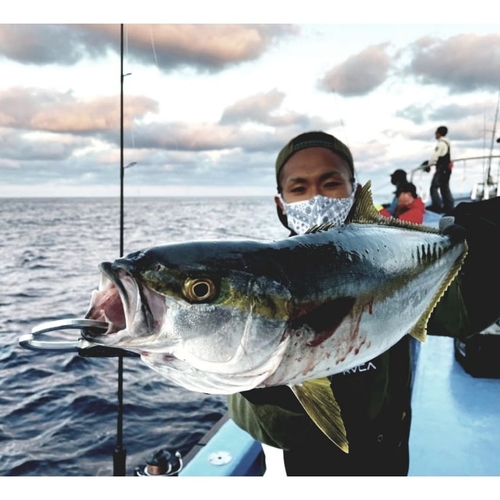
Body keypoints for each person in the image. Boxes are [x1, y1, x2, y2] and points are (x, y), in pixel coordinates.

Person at [226, 130, 500, 476]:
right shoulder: (263, 279)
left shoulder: (388, 258)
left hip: (388, 454)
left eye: (330, 183)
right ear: (280, 204)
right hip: (310, 470)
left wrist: (481, 248)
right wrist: (273, 381)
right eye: (299, 188)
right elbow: (267, 425)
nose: (316, 197)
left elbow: (462, 310)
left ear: (354, 191)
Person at [422, 125, 454, 214]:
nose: (435, 135)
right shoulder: (447, 143)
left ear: (438, 133)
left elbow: (435, 156)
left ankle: (437, 206)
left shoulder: (441, 144)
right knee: (444, 187)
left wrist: (429, 165)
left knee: (434, 187)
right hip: (446, 169)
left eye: (436, 133)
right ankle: (449, 207)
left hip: (441, 169)